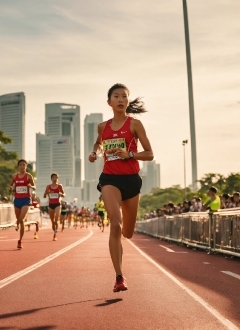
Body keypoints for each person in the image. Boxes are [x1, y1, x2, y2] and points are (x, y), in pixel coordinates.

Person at [88, 83, 154, 292]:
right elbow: (98, 143)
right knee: (115, 223)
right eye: (116, 96)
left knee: (128, 232)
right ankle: (119, 276)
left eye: (124, 96)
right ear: (109, 102)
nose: (120, 99)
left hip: (131, 181)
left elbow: (150, 153)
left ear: (127, 101)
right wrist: (94, 152)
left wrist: (130, 155)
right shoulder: (103, 127)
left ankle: (125, 235)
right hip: (109, 179)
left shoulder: (134, 125)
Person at [9, 159, 36, 249]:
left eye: (23, 165)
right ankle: (17, 224)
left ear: (26, 166)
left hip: (26, 200)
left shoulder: (28, 176)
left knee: (21, 219)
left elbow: (34, 186)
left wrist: (31, 186)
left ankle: (20, 240)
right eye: (20, 165)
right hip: (17, 200)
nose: (22, 166)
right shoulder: (14, 176)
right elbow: (11, 185)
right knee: (18, 219)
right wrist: (11, 188)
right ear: (18, 166)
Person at [44, 173, 65, 241]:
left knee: (56, 219)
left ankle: (55, 231)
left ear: (57, 179)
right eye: (53, 177)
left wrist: (60, 194)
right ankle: (54, 230)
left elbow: (64, 194)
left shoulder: (59, 186)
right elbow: (44, 195)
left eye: (56, 178)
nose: (55, 179)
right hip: (50, 204)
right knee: (52, 221)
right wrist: (47, 193)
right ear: (51, 179)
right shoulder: (48, 186)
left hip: (57, 204)